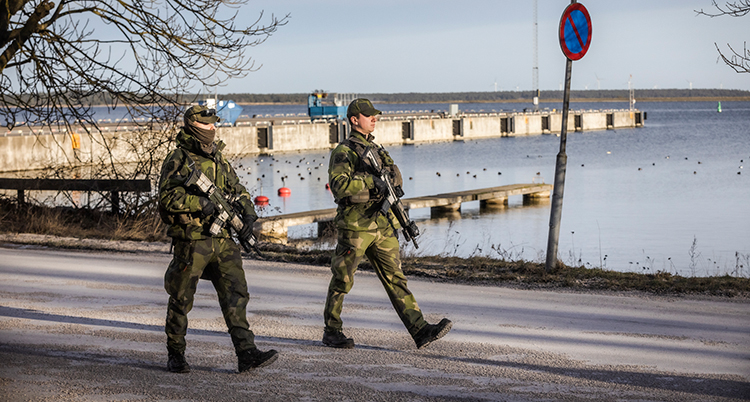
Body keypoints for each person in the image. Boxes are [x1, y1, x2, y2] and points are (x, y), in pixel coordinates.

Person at [323, 98, 452, 349]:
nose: (374, 118)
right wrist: (371, 182)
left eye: (375, 115)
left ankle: (420, 329)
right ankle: (332, 330)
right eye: (368, 115)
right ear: (354, 119)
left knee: (396, 278)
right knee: (343, 279)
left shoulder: (377, 150)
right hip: (356, 226)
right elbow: (339, 187)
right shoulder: (344, 151)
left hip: (381, 224)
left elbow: (394, 182)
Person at [158, 105, 278, 373]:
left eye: (214, 124)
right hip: (192, 240)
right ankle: (175, 353)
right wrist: (199, 203)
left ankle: (246, 352)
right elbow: (166, 200)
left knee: (236, 292)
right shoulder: (178, 159)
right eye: (208, 124)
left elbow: (238, 189)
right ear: (194, 126)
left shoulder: (218, 159)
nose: (214, 128)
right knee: (181, 297)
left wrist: (248, 215)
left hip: (222, 238)